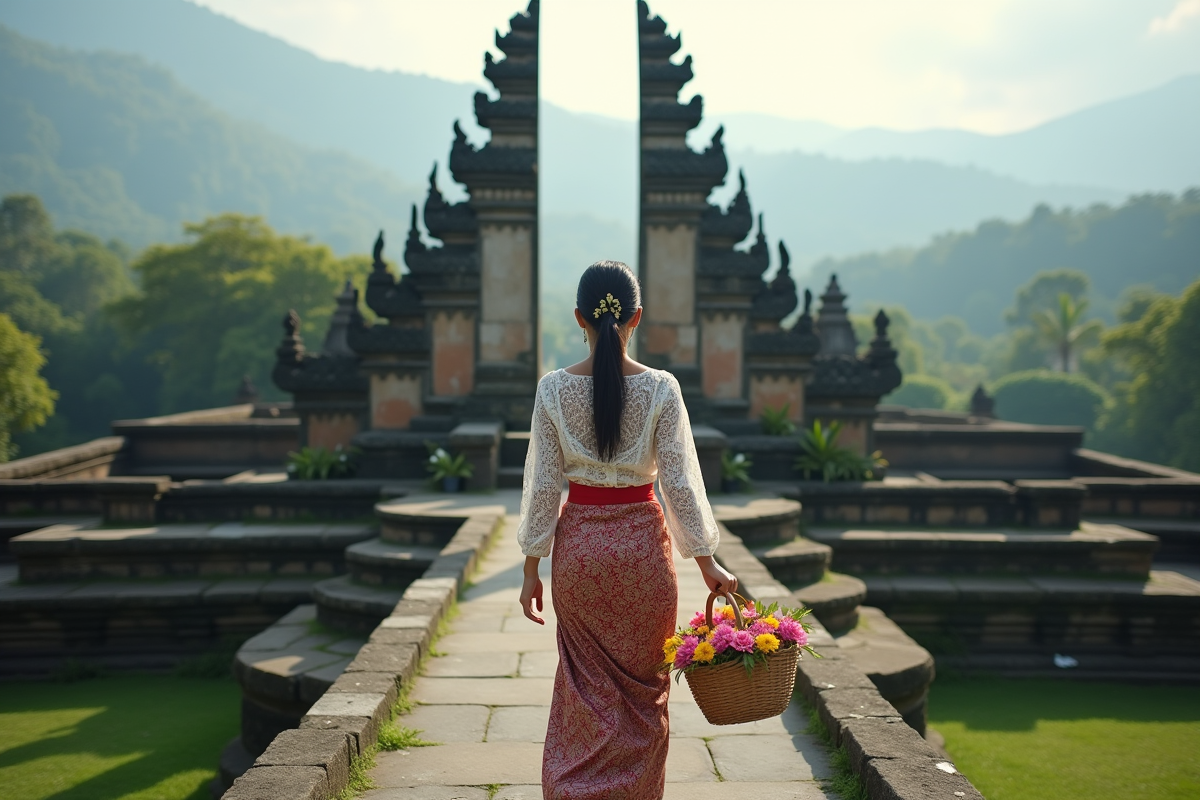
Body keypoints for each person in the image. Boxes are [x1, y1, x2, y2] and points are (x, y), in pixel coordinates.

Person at [517, 260, 738, 800]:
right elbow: (679, 485)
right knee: (645, 698)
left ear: (579, 318)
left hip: (581, 558)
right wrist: (707, 561)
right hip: (644, 558)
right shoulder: (661, 389)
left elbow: (544, 487)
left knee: (583, 695)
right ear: (636, 317)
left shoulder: (552, 390)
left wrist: (530, 569)